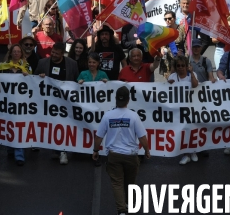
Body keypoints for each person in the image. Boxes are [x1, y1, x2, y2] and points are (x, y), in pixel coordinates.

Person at [92, 86, 150, 215]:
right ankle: (129, 204)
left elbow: (99, 136)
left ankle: (121, 210)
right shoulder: (134, 116)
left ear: (116, 99)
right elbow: (142, 137)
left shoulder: (108, 116)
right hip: (131, 156)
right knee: (130, 183)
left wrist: (95, 150)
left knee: (117, 183)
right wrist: (147, 151)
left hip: (114, 156)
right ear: (128, 100)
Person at [35, 42, 79, 165]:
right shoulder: (42, 63)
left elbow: (75, 81)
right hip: (48, 101)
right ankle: (56, 149)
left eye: (56, 53)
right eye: (52, 52)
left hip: (65, 101)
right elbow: (33, 80)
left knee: (63, 125)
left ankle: (63, 151)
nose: (53, 55)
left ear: (62, 53)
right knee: (52, 125)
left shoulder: (72, 64)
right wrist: (40, 77)